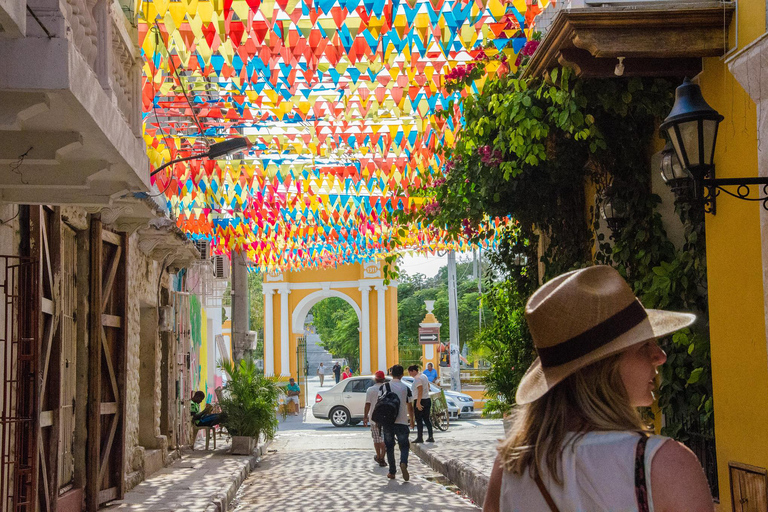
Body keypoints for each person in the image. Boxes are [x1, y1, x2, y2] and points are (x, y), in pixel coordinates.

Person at [483, 265, 713, 512]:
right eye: (644, 345)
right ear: (603, 368)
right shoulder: (662, 465)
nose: (660, 356)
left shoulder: (510, 467)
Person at [380, 364, 415, 481]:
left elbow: (379, 404)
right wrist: (412, 420)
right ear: (402, 375)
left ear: (391, 374)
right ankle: (403, 462)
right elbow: (410, 406)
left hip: (388, 422)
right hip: (402, 421)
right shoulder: (406, 388)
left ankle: (392, 472)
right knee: (404, 446)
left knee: (389, 447)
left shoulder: (385, 387)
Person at [363, 370, 388, 467]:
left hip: (374, 418)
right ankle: (382, 457)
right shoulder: (387, 388)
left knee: (376, 439)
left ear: (375, 379)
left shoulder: (370, 389)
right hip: (385, 418)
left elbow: (367, 404)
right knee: (383, 438)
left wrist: (365, 417)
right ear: (383, 379)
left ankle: (379, 456)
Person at [408, 365, 434, 443]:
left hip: (420, 400)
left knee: (419, 419)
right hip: (427, 399)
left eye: (410, 373)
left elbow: (420, 390)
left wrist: (418, 403)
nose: (410, 375)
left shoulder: (417, 378)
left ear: (413, 371)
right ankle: (430, 436)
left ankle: (420, 437)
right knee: (426, 419)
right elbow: (428, 386)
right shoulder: (424, 376)